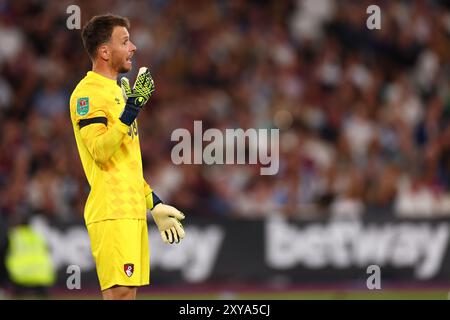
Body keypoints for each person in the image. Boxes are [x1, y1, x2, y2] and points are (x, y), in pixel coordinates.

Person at [69, 14, 186, 300]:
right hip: (111, 211)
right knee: (120, 294)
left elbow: (125, 164)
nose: (133, 47)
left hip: (130, 210)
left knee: (127, 294)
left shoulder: (120, 91)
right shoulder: (87, 94)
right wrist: (131, 111)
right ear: (105, 51)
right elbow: (99, 150)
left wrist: (153, 203)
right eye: (125, 41)